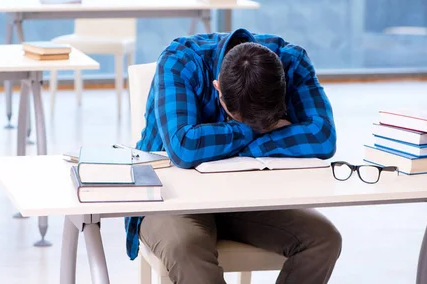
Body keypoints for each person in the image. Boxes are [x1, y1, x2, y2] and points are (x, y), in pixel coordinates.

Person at [125, 28, 342, 284]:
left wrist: (223, 139)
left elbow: (323, 137)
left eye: (263, 123)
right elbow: (184, 146)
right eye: (242, 119)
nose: (256, 127)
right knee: (186, 249)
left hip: (248, 197)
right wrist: (259, 130)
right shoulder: (180, 60)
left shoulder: (292, 62)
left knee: (322, 240)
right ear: (218, 89)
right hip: (172, 199)